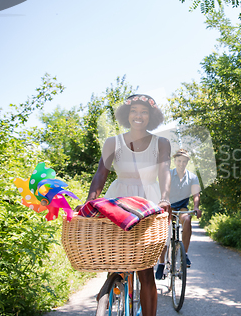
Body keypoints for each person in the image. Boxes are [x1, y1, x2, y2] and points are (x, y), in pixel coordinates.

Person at [76, 94, 171, 316]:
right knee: (115, 257)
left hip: (147, 202)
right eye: (134, 111)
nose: (139, 115)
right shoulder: (113, 142)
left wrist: (165, 197)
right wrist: (90, 201)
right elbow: (101, 173)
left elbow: (164, 171)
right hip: (118, 200)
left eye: (144, 112)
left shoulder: (161, 143)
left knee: (145, 269)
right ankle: (110, 292)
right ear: (127, 115)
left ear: (152, 116)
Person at [155, 149, 201, 279]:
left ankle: (184, 255)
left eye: (184, 161)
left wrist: (196, 207)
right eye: (179, 161)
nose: (181, 163)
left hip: (181, 207)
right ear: (175, 161)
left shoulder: (192, 177)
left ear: (187, 162)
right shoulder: (168, 174)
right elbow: (162, 190)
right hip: (168, 205)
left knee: (187, 219)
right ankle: (161, 263)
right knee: (165, 232)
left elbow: (196, 194)